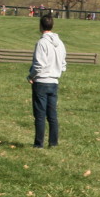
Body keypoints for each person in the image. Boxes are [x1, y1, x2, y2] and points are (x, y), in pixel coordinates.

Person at [27, 14, 66, 148]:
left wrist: (31, 76)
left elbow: (39, 64)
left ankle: (39, 144)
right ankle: (53, 143)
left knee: (40, 115)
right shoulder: (60, 43)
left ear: (40, 26)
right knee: (52, 115)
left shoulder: (42, 43)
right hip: (54, 81)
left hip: (41, 81)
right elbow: (63, 64)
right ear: (52, 25)